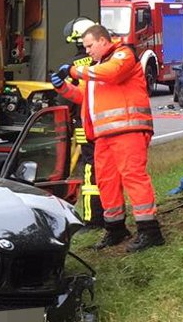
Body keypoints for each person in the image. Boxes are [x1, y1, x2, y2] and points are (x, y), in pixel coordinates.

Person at [52, 25, 160, 252]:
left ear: (103, 41)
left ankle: (149, 230)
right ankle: (115, 228)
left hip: (128, 129)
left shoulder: (123, 54)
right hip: (104, 135)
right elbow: (83, 96)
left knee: (133, 176)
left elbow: (113, 73)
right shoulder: (97, 67)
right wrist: (62, 88)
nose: (87, 51)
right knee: (106, 181)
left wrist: (74, 72)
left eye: (90, 46)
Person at [60, 17, 105, 227]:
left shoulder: (73, 67)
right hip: (104, 125)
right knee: (105, 168)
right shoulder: (104, 62)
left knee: (89, 170)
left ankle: (91, 217)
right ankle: (109, 214)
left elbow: (67, 99)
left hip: (84, 125)